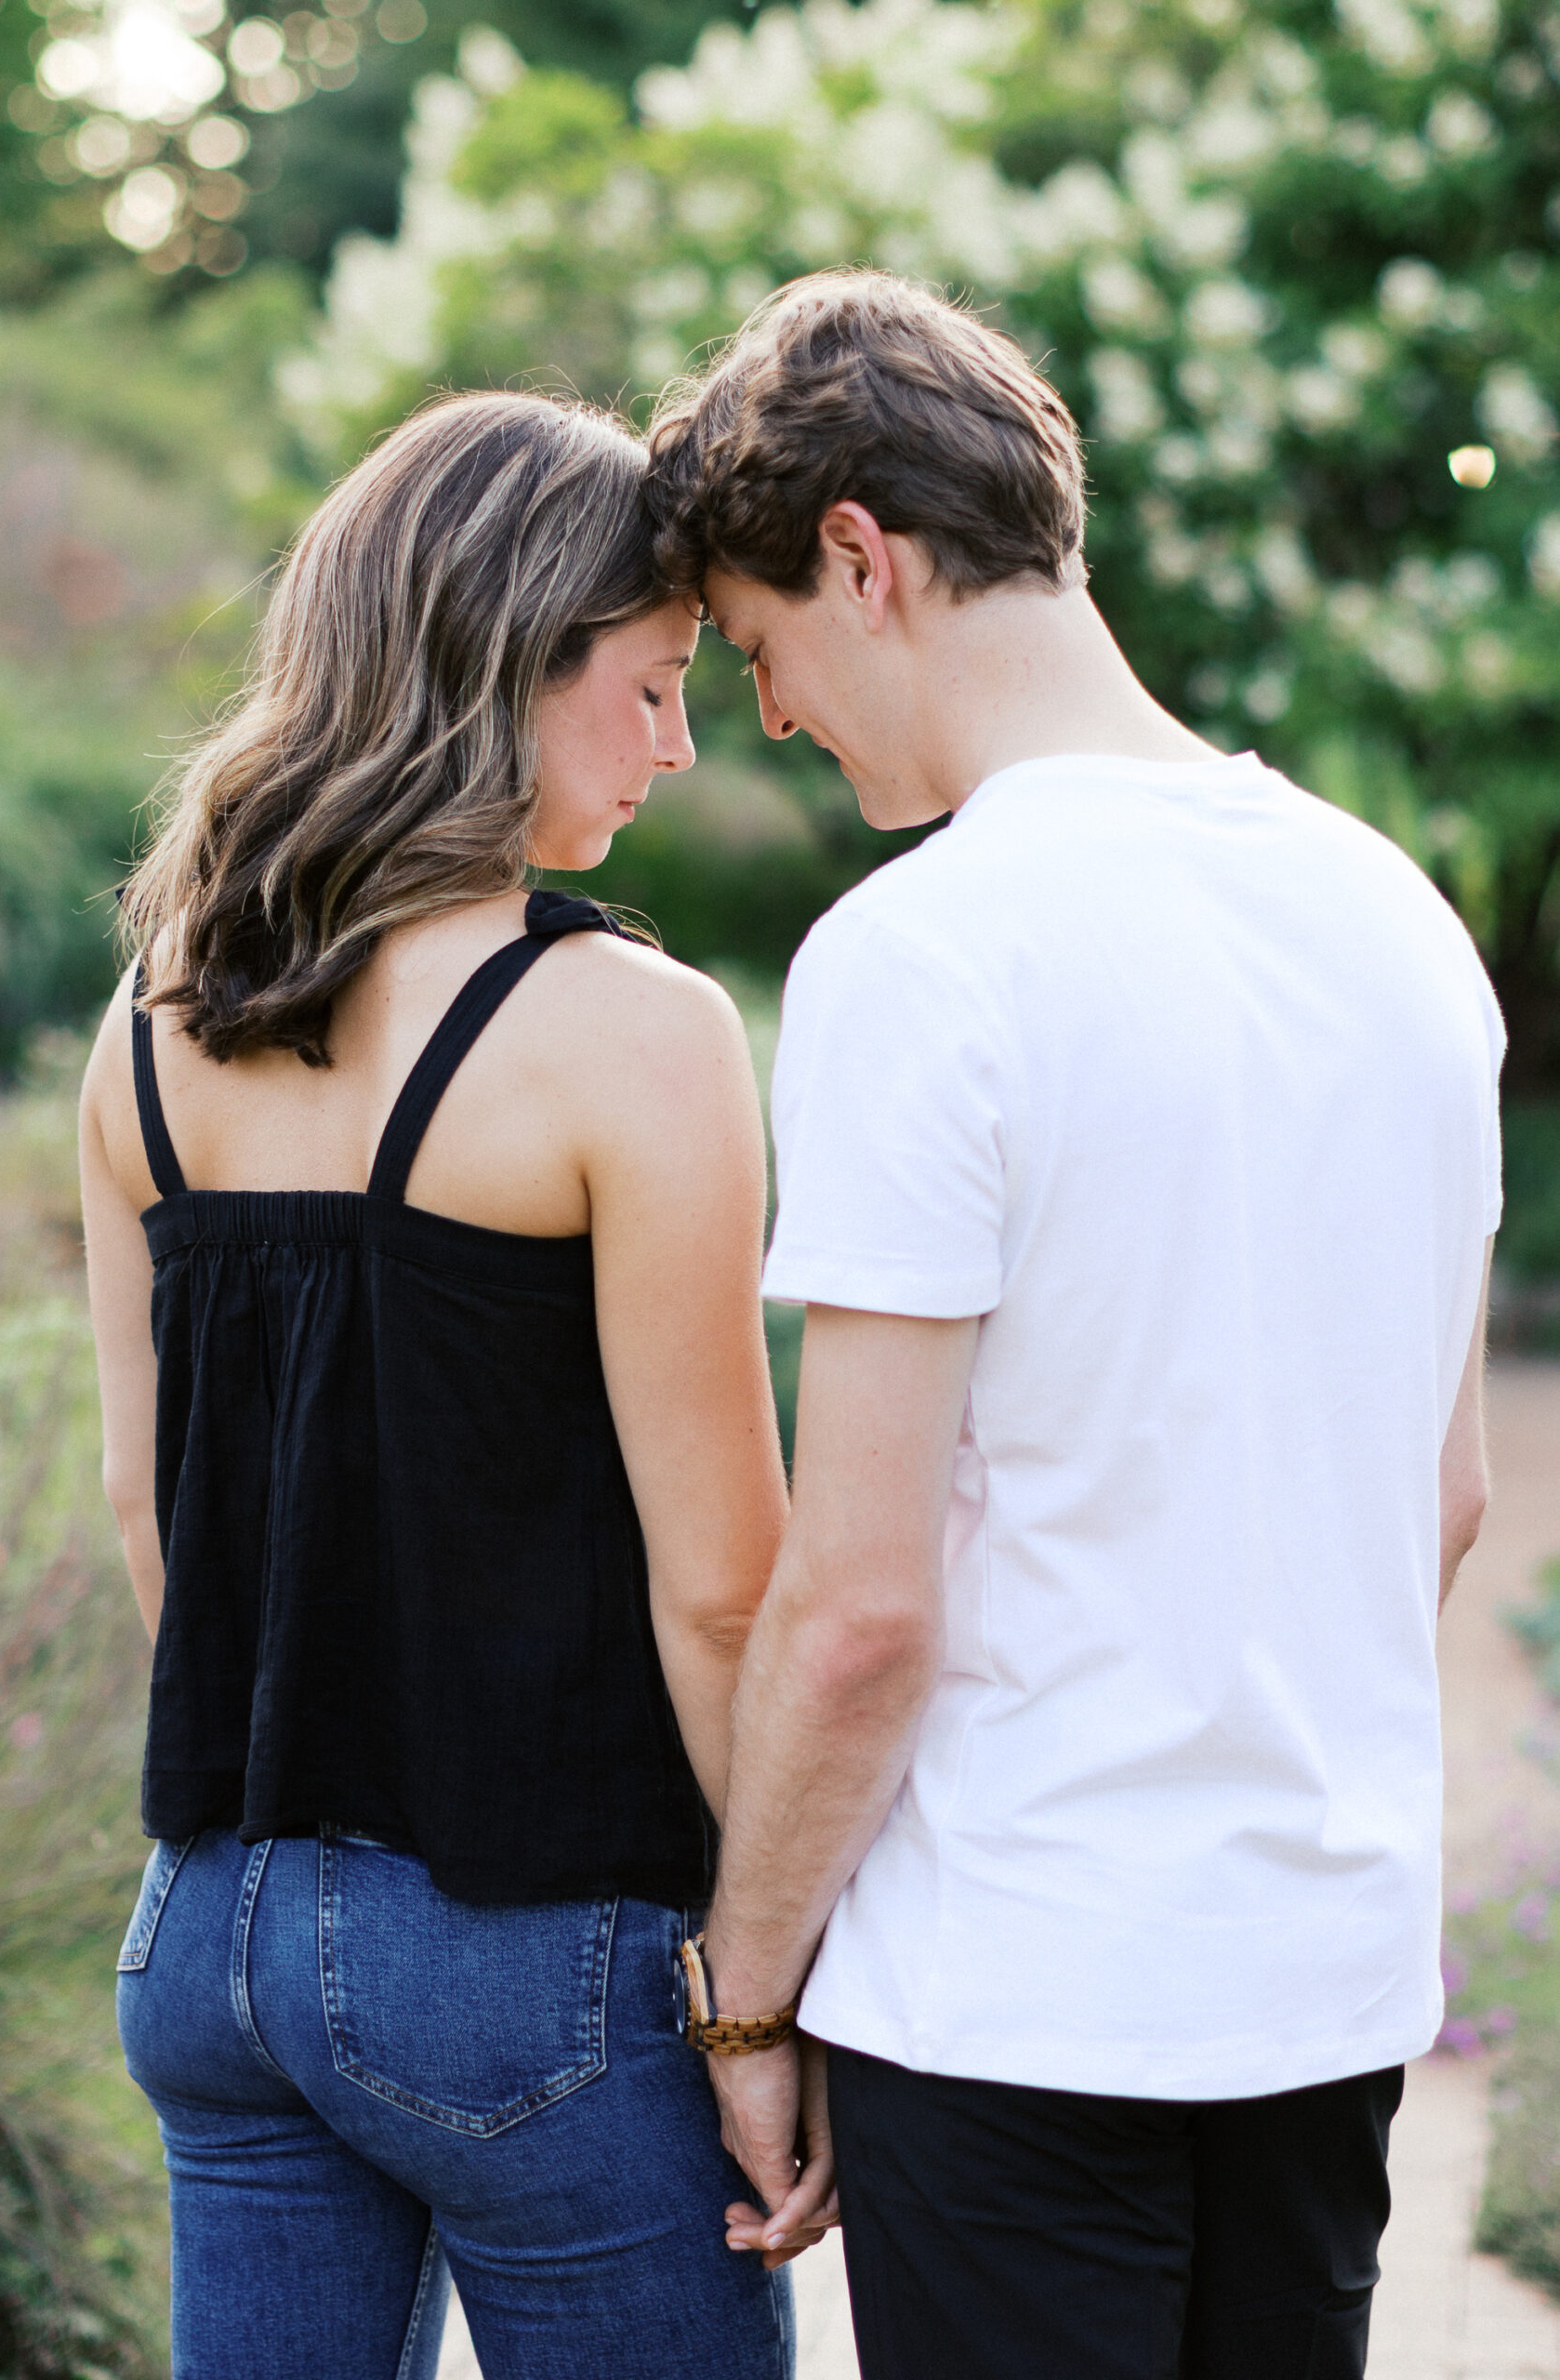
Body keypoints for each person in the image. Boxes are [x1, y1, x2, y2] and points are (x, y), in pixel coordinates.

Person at [643, 271, 1503, 2377]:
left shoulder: (924, 954)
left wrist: (747, 1997)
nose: (771, 714)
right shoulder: (1393, 915)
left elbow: (859, 1608)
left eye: (758, 649)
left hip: (1021, 2006)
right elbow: (1447, 1497)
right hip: (1316, 1984)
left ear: (859, 552)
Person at [80, 390, 802, 2380]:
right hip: (526, 1954)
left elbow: (155, 1514)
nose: (676, 741)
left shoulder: (146, 1035)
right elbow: (724, 1588)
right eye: (650, 684)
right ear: (502, 662)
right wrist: (757, 2006)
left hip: (208, 1938)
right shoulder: (628, 1035)